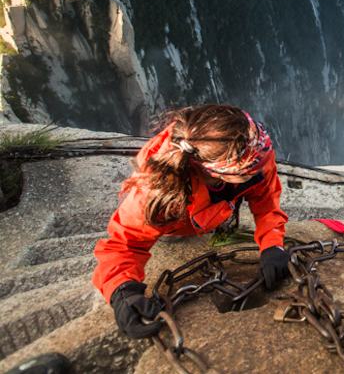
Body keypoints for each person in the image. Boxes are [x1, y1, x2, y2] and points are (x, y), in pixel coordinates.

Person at [92, 104, 290, 339]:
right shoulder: (156, 192)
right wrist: (122, 290)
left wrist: (272, 244)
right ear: (216, 172)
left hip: (213, 210)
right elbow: (125, 243)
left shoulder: (253, 149)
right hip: (177, 225)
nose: (264, 163)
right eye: (250, 170)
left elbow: (267, 200)